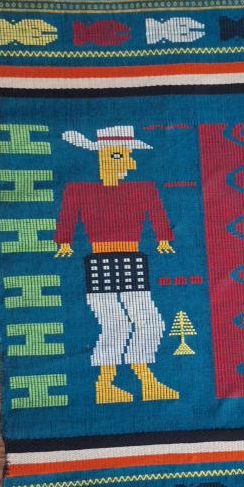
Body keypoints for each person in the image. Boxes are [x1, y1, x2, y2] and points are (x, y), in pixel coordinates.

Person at [54, 125, 178, 404]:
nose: (130, 163)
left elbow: (157, 212)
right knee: (115, 324)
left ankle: (145, 378)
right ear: (103, 156)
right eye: (121, 155)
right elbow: (68, 215)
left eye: (128, 156)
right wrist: (64, 242)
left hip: (132, 261)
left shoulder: (143, 189)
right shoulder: (79, 190)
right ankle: (105, 383)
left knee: (150, 322)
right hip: (100, 263)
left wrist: (163, 238)